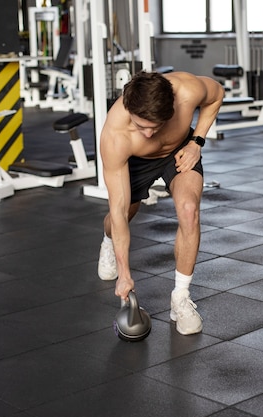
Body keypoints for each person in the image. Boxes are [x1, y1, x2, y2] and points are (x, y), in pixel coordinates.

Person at [97, 71, 224, 335]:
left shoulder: (187, 90)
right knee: (122, 216)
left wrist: (196, 143)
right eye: (140, 125)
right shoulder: (116, 136)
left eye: (154, 126)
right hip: (136, 163)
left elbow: (217, 95)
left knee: (189, 211)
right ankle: (108, 242)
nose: (148, 133)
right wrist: (124, 273)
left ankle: (180, 298)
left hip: (180, 151)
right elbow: (118, 212)